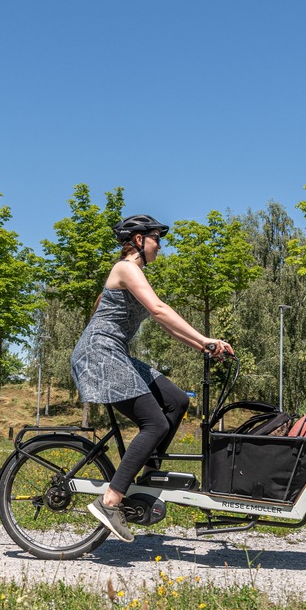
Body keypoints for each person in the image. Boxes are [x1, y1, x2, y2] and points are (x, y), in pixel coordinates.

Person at [70, 214, 233, 542]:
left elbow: (165, 322)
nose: (161, 245)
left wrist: (204, 346)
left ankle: (146, 481)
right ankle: (111, 500)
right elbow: (159, 309)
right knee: (155, 423)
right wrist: (205, 340)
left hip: (115, 353)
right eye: (157, 238)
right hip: (99, 355)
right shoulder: (126, 268)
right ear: (138, 240)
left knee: (176, 400)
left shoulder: (135, 273)